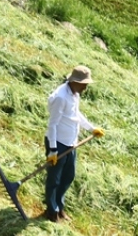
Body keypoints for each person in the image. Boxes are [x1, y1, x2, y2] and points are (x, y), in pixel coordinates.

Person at [42, 65, 104, 222]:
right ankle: (52, 211)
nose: (86, 87)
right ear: (75, 81)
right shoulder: (60, 97)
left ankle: (59, 206)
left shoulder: (75, 93)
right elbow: (52, 125)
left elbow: (75, 114)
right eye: (84, 84)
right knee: (54, 179)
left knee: (68, 176)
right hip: (58, 143)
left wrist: (92, 128)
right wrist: (53, 150)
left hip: (71, 143)